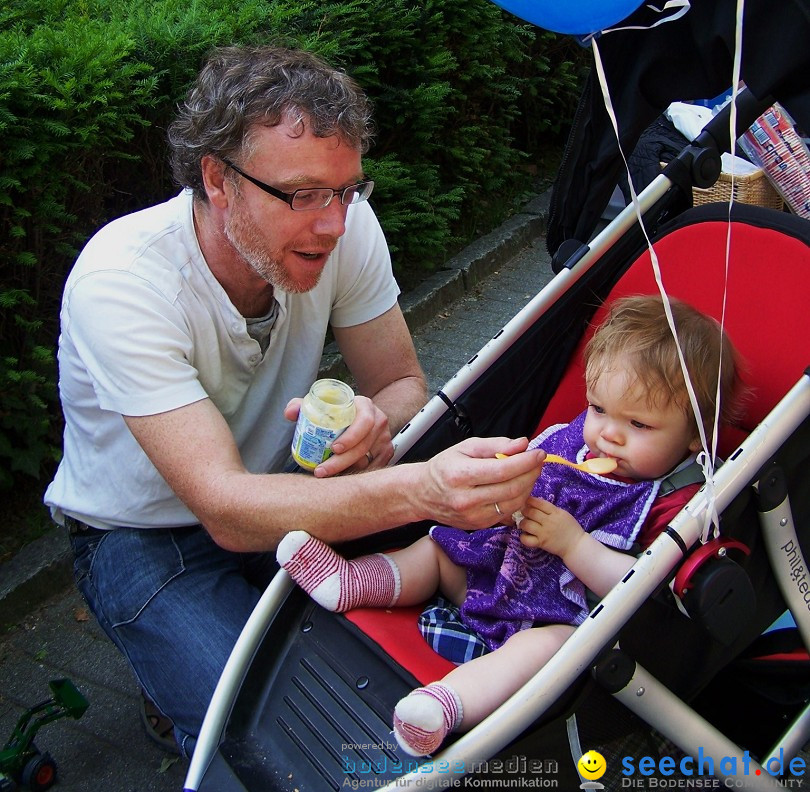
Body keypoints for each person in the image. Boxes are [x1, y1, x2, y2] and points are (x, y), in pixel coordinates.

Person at [43, 45, 544, 756]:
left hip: (287, 495)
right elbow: (223, 508)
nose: (335, 224)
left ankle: (195, 668)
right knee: (272, 730)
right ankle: (187, 700)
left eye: (346, 192)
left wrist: (378, 421)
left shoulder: (344, 225)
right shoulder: (122, 282)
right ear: (218, 179)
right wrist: (423, 489)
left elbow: (401, 384)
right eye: (302, 194)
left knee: (408, 667)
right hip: (143, 536)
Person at [278, 294, 745, 757]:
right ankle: (354, 580)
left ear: (693, 435)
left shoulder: (673, 501)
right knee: (439, 547)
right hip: (494, 577)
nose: (608, 433)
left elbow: (643, 589)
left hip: (555, 621)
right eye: (599, 409)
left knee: (547, 649)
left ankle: (446, 704)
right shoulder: (575, 443)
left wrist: (574, 545)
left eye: (638, 424)